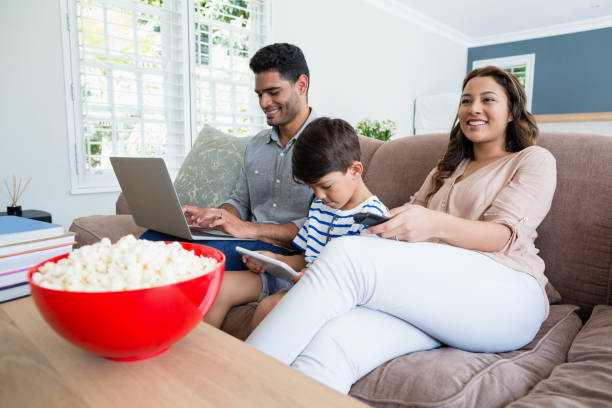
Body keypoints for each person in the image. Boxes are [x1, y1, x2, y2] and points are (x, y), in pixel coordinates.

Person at [245, 66, 557, 394]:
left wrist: (432, 223)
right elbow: (408, 225)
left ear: (512, 111)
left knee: (347, 255)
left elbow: (504, 235)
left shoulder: (533, 160)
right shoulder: (447, 169)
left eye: (487, 99)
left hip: (507, 296)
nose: (473, 108)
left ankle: (232, 387)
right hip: (438, 300)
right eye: (466, 100)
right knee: (331, 344)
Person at [141, 43, 315, 271]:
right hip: (246, 240)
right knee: (149, 239)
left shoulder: (327, 143)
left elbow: (322, 226)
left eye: (273, 92)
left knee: (180, 256)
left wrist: (248, 229)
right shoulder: (256, 145)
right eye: (260, 94)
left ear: (301, 85)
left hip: (285, 251)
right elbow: (240, 201)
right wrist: (218, 216)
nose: (264, 103)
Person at [205, 117, 389, 329]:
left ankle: (249, 362)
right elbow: (305, 258)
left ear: (355, 171)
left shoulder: (374, 219)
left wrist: (315, 279)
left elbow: (360, 283)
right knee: (219, 285)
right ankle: (202, 359)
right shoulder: (322, 207)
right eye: (313, 189)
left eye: (326, 186)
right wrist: (274, 260)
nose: (319, 196)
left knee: (270, 307)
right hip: (299, 282)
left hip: (331, 295)